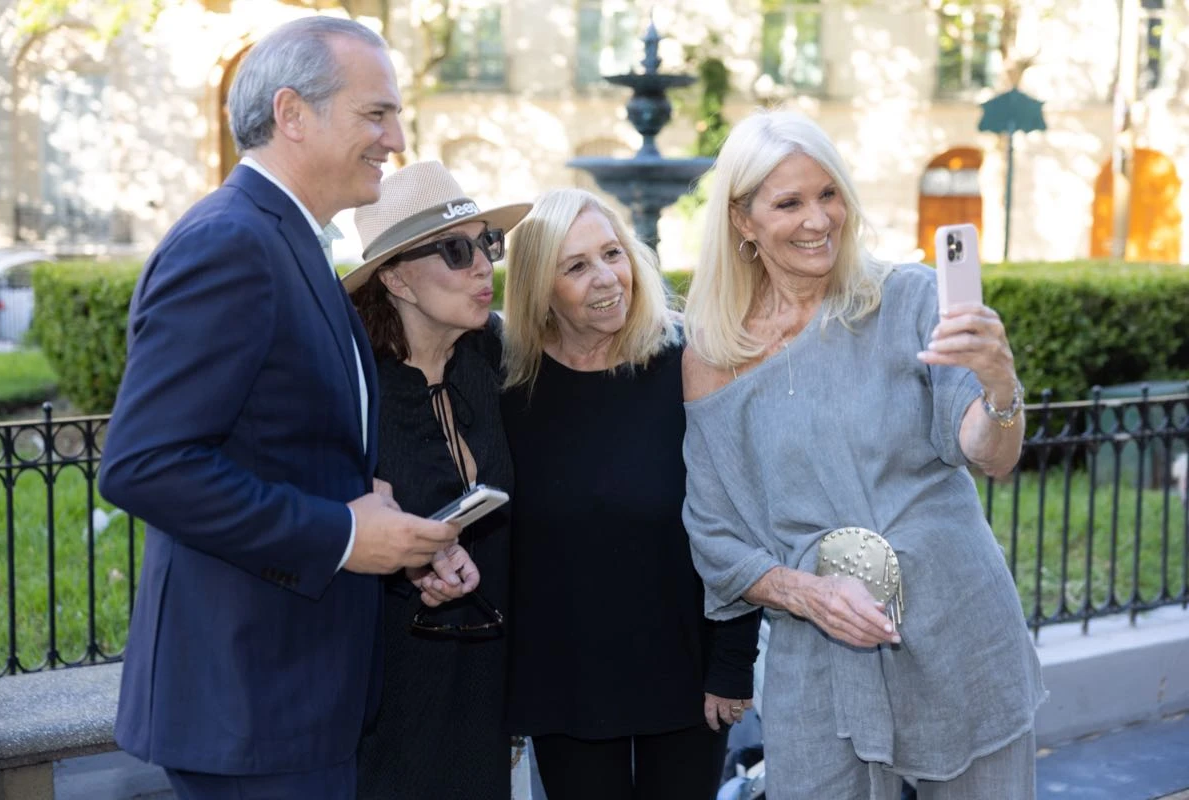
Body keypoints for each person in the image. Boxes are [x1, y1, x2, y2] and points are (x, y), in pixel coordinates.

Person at [97, 17, 460, 799]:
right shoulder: (229, 243)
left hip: (290, 697)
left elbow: (279, 444)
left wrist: (383, 523)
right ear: (292, 114)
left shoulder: (288, 239)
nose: (395, 138)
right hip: (252, 703)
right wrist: (342, 535)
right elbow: (145, 465)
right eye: (376, 114)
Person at [680, 109, 1046, 799]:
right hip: (815, 654)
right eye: (789, 202)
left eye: (829, 193)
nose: (818, 220)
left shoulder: (906, 296)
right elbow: (715, 532)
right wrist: (808, 595)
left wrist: (999, 385)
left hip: (959, 625)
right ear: (742, 220)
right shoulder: (713, 354)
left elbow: (988, 453)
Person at [501, 188, 762, 800]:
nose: (606, 278)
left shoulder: (687, 362)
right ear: (540, 287)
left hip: (686, 676)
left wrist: (732, 664)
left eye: (612, 253)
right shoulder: (509, 386)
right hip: (565, 680)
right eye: (576, 266)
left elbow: (739, 515)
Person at [342, 160, 531, 799]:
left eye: (488, 244)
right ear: (394, 276)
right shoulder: (352, 385)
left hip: (484, 673)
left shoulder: (492, 357)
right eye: (457, 250)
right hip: (386, 680)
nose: (483, 266)